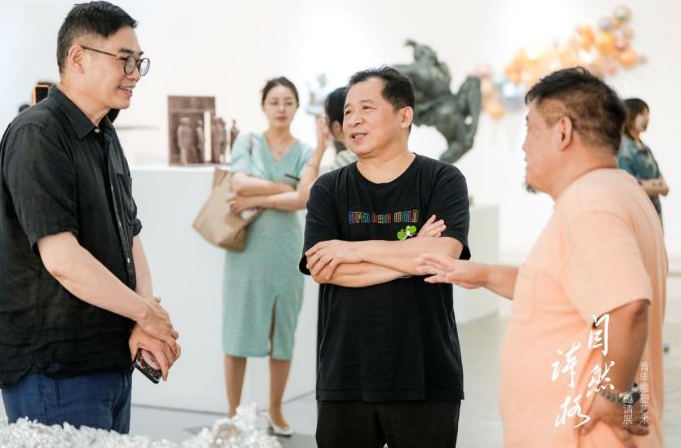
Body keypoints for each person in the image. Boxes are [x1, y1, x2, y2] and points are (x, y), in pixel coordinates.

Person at [417, 67, 667, 448]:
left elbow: (628, 306)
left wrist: (614, 397)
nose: (524, 147)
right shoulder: (621, 191)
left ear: (563, 131)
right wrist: (482, 274)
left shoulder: (589, 204)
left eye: (530, 129)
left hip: (584, 435)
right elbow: (568, 289)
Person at [0, 1, 180, 434]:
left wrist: (142, 317)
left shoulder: (104, 134)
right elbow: (62, 260)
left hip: (110, 358)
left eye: (139, 62)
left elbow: (130, 234)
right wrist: (146, 314)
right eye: (125, 60)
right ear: (78, 57)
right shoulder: (38, 133)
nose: (134, 74)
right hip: (56, 369)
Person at [301, 66, 470, 448]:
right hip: (345, 376)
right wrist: (411, 255)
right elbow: (324, 269)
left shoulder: (443, 180)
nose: (353, 120)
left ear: (404, 116)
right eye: (348, 111)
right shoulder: (328, 188)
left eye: (366, 108)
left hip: (426, 375)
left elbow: (442, 255)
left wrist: (352, 249)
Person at [222, 77, 328, 436]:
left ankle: (277, 410)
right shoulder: (248, 142)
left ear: (297, 107)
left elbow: (303, 199)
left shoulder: (305, 151)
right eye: (274, 101)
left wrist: (258, 198)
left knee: (282, 334)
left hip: (286, 252)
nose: (281, 108)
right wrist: (283, 188)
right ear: (263, 106)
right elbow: (238, 183)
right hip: (246, 253)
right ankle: (233, 415)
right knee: (237, 332)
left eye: (288, 102)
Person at [617, 98, 668, 222]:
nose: (647, 118)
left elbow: (664, 186)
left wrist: (650, 184)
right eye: (642, 113)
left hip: (654, 214)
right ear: (630, 115)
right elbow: (628, 185)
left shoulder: (644, 148)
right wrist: (655, 184)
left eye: (647, 114)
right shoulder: (623, 147)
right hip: (638, 215)